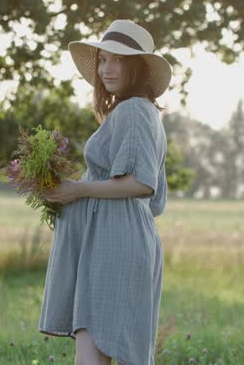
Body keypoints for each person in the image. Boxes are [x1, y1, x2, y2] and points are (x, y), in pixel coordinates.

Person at [39, 19, 171, 365]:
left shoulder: (133, 111)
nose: (107, 69)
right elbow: (153, 204)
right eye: (103, 60)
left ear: (137, 67)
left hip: (117, 243)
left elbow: (143, 185)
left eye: (118, 60)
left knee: (94, 350)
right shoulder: (137, 112)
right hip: (112, 240)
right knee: (93, 347)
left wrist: (78, 190)